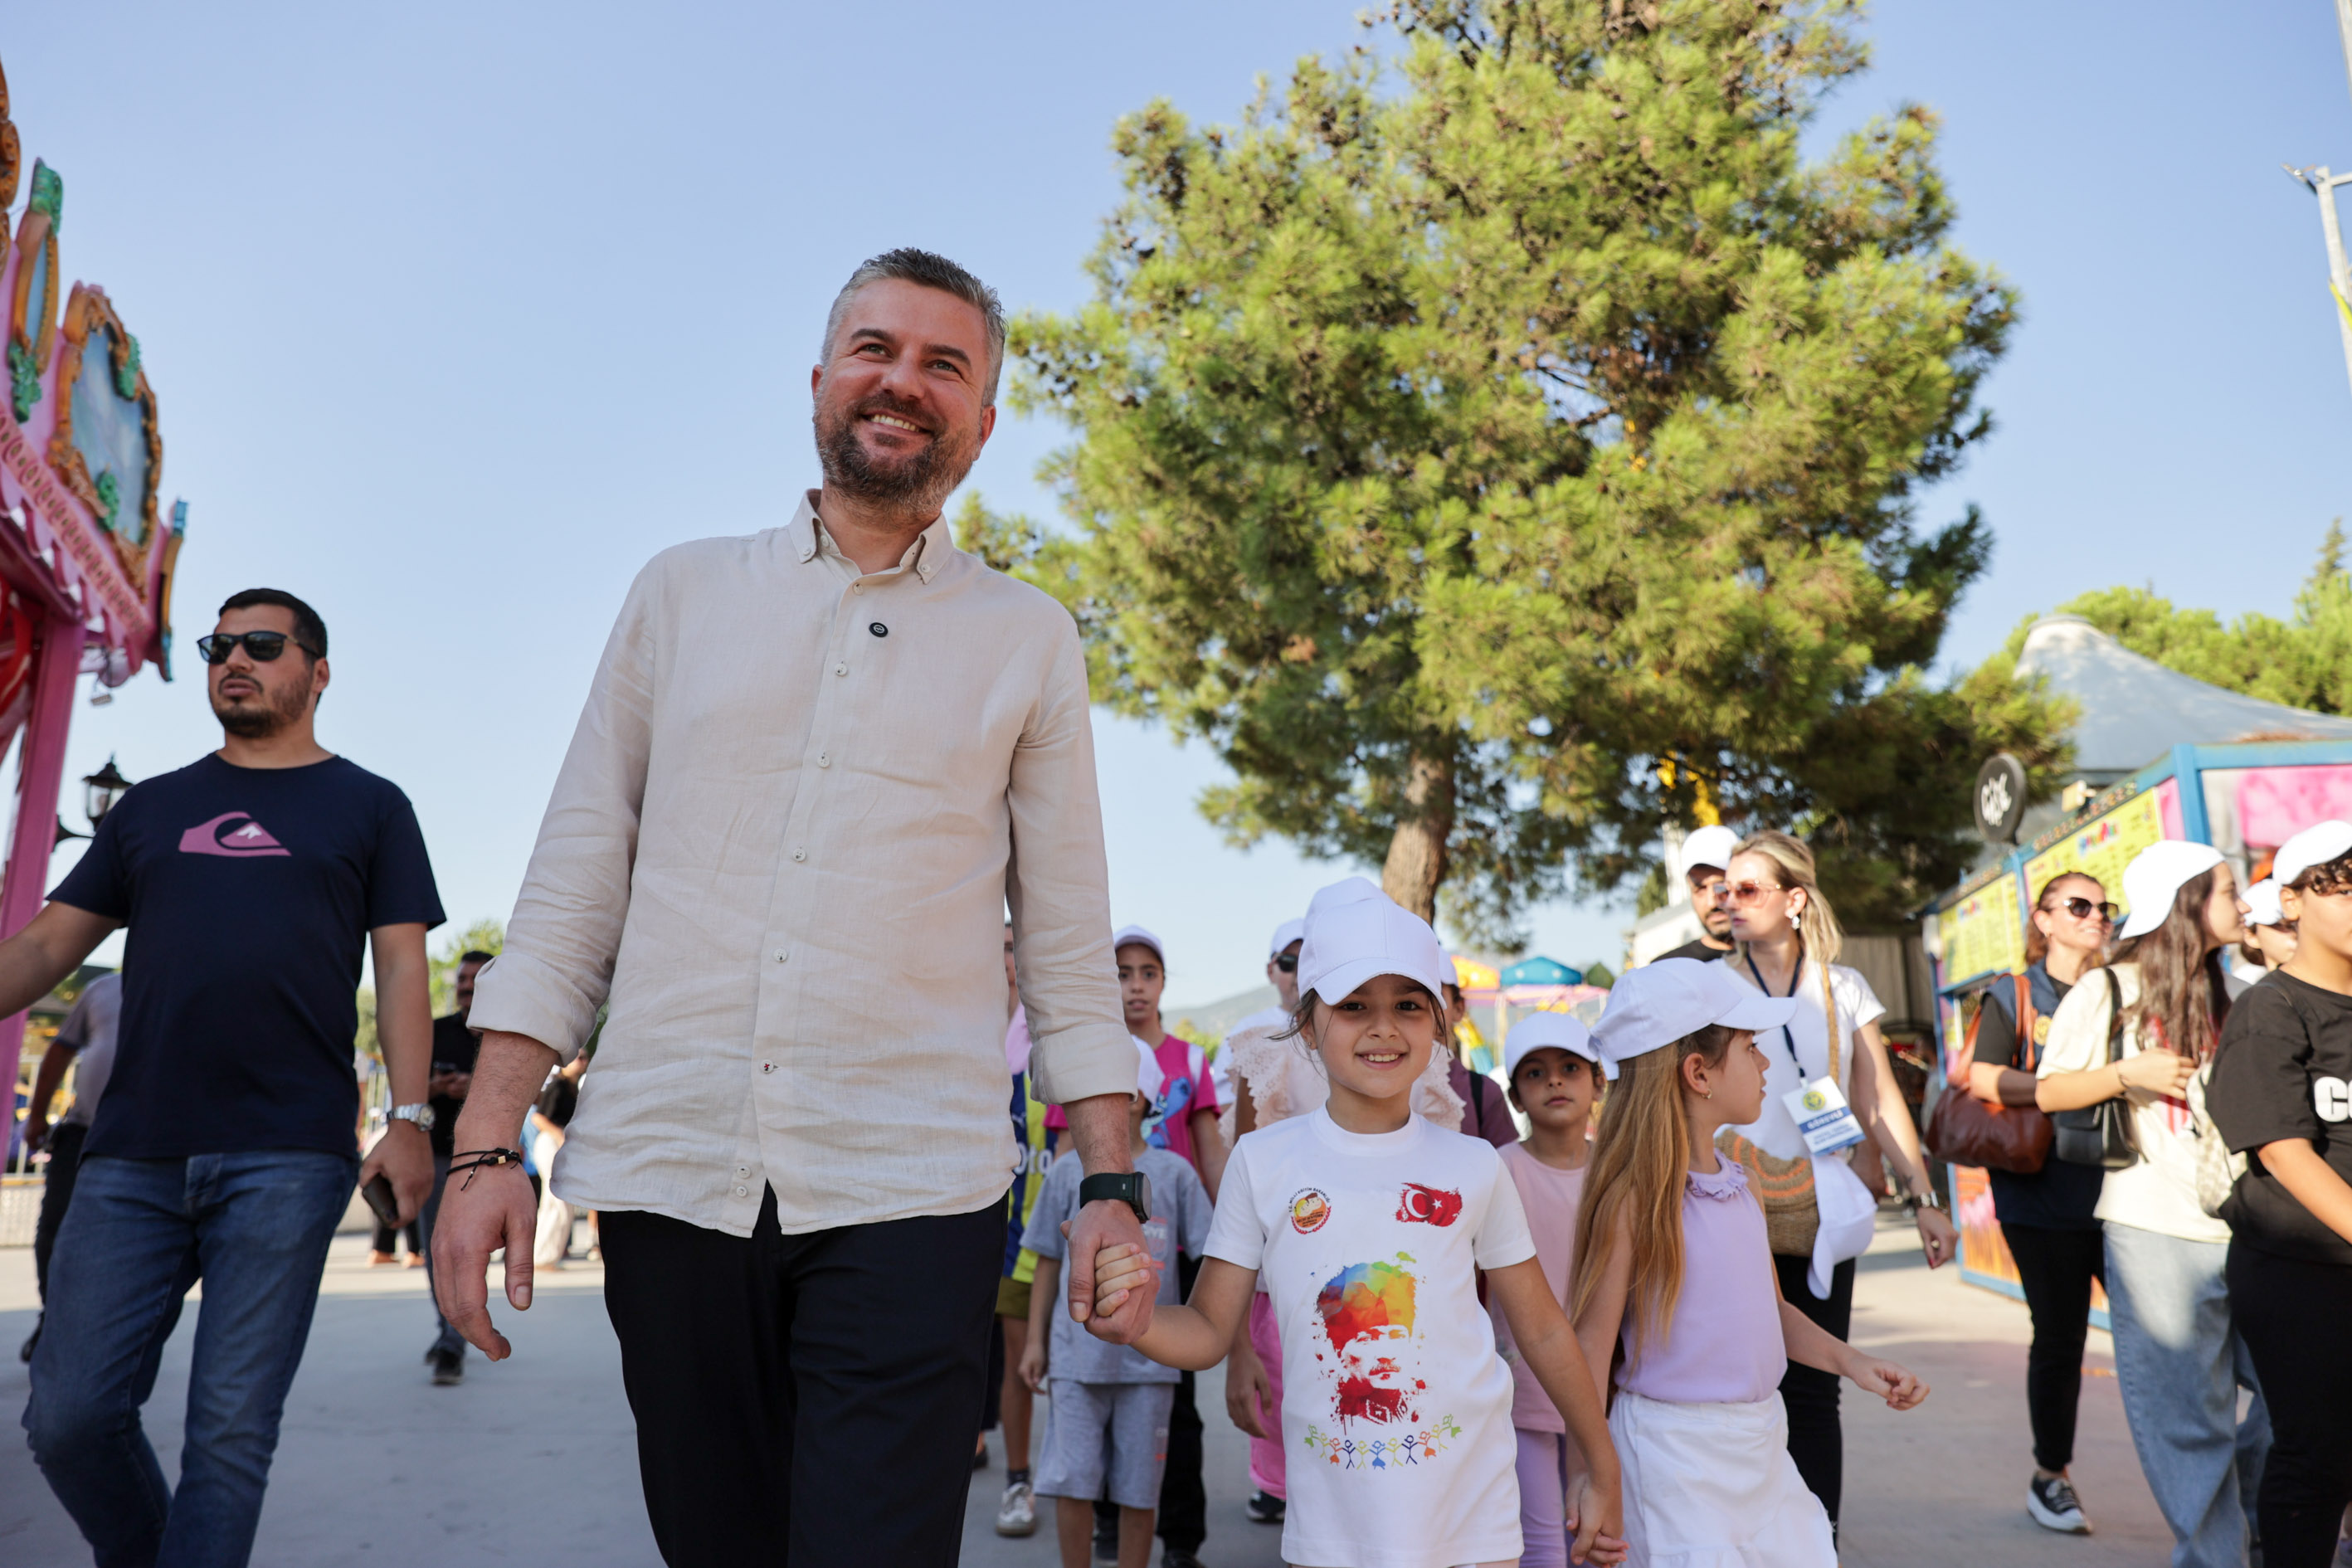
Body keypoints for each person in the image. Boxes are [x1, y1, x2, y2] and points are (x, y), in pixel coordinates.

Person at [435, 248, 1145, 1568]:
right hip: (672, 1163)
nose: (904, 382)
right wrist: (483, 1150)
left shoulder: (1028, 637)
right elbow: (577, 873)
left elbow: (1062, 936)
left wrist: (1107, 1179)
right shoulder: (681, 590)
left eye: (947, 364)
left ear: (982, 423)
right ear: (820, 380)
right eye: (876, 348)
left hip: (913, 1181)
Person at [15, 587, 442, 1566]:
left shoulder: (372, 806)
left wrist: (409, 1121)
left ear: (319, 671)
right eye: (217, 645)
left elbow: (404, 966)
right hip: (131, 1156)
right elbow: (43, 949)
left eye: (261, 644)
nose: (233, 659)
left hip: (288, 1156)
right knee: (70, 1417)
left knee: (230, 1438)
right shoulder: (152, 809)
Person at [1086, 877, 1626, 1568]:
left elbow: (1544, 1329)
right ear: (1308, 1026)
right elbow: (1206, 1329)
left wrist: (1600, 1463)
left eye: (1407, 1004)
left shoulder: (1474, 1166)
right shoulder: (1262, 1162)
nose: (1382, 1027)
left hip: (1473, 1510)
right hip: (1332, 1523)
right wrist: (1137, 1323)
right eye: (1353, 1006)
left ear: (1438, 1023)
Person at [1572, 959, 1929, 1566]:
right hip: (1670, 1459)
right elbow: (1587, 1352)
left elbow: (1772, 1310)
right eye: (1750, 1048)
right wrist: (1595, 1475)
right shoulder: (1631, 1202)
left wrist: (1852, 1361)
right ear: (1697, 1073)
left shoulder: (1742, 1183)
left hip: (1761, 1443)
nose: (1764, 1064)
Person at [2036, 839, 2267, 1568]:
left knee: (2304, 1396)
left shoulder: (2238, 985)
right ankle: (2214, 1557)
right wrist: (2122, 1074)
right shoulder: (2106, 989)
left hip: (2254, 1226)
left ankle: (2260, 1528)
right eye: (2228, 890)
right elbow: (2048, 1091)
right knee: (2185, 1425)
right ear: (2187, 901)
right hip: (2152, 1230)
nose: (2242, 904)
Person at [1714, 830, 1954, 1531]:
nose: (1732, 901)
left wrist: (1925, 1199)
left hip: (1819, 1214)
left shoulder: (1841, 986)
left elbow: (1876, 1098)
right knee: (1741, 1389)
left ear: (1794, 900)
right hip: (1727, 1204)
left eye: (1749, 889)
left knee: (1816, 1391)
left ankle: (1819, 1540)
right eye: (1727, 889)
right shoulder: (1714, 987)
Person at [1215, 889, 1463, 1531]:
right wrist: (1239, 1350)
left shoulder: (1424, 1060)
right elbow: (1244, 1208)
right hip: (1291, 1299)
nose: (1380, 1024)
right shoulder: (1261, 1052)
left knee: (1404, 1478)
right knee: (1316, 1482)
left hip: (1405, 1298)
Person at [2208, 821, 2352, 1568]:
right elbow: (2281, 1149)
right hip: (2303, 1271)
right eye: (2342, 887)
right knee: (2319, 1454)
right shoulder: (2269, 1010)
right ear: (2289, 903)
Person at [1055, 925, 1221, 1568]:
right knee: (1096, 1379)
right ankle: (1105, 1521)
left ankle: (1177, 1539)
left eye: (1146, 972)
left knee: (1168, 1403)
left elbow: (1208, 1148)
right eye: (1120, 972)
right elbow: (1067, 1150)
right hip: (1104, 1229)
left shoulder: (1189, 1059)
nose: (1134, 984)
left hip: (1169, 1229)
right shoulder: (1083, 1059)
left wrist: (1222, 1233)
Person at [1021, 1041, 1214, 1568]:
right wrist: (1036, 1342)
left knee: (1139, 1490)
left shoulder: (1175, 1175)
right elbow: (1046, 1260)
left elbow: (1208, 1261)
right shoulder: (1065, 1174)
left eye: (1123, 1089)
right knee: (1073, 1482)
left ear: (1145, 1098)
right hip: (1075, 1365)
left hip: (1150, 1369)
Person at [1963, 870, 2115, 1533]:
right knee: (2060, 1339)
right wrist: (2068, 1087)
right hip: (2039, 1191)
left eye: (2103, 907)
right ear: (2044, 919)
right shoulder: (2015, 993)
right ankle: (2049, 1475)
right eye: (2077, 906)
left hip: (2120, 1189)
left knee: (2160, 1340)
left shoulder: (2120, 988)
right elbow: (1978, 1076)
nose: (2095, 917)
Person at [1493, 1012, 1605, 1568]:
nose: (1555, 1081)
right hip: (1523, 1386)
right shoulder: (1497, 1171)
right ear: (1516, 1096)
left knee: (1598, 1532)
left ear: (1598, 1082)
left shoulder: (1618, 1172)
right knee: (1540, 1541)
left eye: (1569, 1068)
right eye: (1535, 1074)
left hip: (1606, 1383)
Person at [19, 969, 123, 1362]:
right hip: (82, 1133)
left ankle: (107, 1334)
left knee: (126, 1246)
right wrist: (36, 1116)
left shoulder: (195, 985)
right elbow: (61, 1049)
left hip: (148, 1143)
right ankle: (54, 1318)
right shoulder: (103, 988)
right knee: (54, 1234)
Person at [996, 921, 1060, 1538]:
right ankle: (1019, 1479)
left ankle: (1073, 1484)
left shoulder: (1060, 1026)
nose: (1006, 960)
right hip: (1008, 1237)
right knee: (1019, 1362)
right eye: (996, 947)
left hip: (1066, 1233)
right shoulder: (974, 1032)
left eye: (1014, 946)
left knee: (1067, 1369)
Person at [419, 948, 494, 1385]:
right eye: (461, 980)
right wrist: (439, 1086)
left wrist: (475, 1087)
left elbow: (531, 1095)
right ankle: (449, 1334)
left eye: (475, 980)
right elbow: (406, 1086)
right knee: (435, 1253)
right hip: (433, 1156)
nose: (465, 987)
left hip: (481, 1161)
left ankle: (453, 1336)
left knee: (465, 1254)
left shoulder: (505, 1036)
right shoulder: (434, 1032)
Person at [1212, 916, 1303, 1115]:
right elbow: (1223, 1102)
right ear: (1271, 971)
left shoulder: (1339, 1027)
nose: (1299, 971)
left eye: (1307, 960)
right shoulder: (1247, 1030)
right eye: (1288, 962)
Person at [1444, 974, 1520, 1148]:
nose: (1424, 1008)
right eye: (1406, 1004)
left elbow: (1504, 1166)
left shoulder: (1484, 1091)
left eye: (1435, 996)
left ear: (1459, 1008)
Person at [527, 1054, 586, 1269]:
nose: (583, 1062)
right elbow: (538, 1117)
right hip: (551, 1143)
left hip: (559, 1144)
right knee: (557, 1201)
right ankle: (542, 1257)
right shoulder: (558, 1086)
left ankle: (545, 1257)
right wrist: (560, 1136)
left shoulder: (572, 1087)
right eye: (579, 1057)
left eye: (585, 1058)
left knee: (556, 1203)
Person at [1656, 823, 1740, 965]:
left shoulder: (1779, 958)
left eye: (1721, 886)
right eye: (1700, 889)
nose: (1712, 903)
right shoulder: (1667, 970)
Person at [2236, 877, 2297, 982]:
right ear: (2251, 936)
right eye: (2280, 925)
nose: (2296, 932)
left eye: (2299, 921)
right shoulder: (2243, 986)